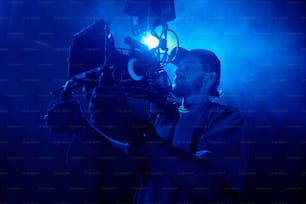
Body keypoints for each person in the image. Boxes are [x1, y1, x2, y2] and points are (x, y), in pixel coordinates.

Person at [45, 48, 247, 203]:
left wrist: (137, 131)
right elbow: (133, 163)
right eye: (179, 66)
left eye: (188, 67)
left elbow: (206, 185)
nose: (178, 70)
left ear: (209, 77)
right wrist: (81, 127)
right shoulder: (166, 116)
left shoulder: (225, 116)